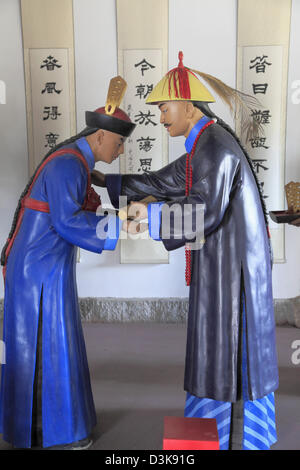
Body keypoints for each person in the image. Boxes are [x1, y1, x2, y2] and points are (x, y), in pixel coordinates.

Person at [92, 53, 279, 450]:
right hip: (223, 268)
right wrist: (106, 180)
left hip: (235, 276)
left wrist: (149, 215)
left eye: (163, 108)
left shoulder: (215, 147)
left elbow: (202, 213)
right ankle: (206, 434)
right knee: (213, 353)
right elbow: (164, 181)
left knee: (228, 357)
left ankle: (233, 439)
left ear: (189, 105)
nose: (160, 118)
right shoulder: (203, 145)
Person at [0, 76, 136, 449]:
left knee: (55, 343)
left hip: (46, 264)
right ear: (101, 136)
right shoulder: (67, 165)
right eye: (120, 142)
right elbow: (68, 222)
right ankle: (48, 433)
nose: (121, 149)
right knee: (47, 345)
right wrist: (121, 224)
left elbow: (81, 208)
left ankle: (53, 428)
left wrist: (118, 212)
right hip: (37, 270)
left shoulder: (76, 162)